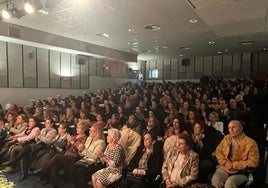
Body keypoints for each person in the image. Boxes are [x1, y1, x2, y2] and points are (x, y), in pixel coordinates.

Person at [211, 120, 259, 188]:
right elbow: (218, 152)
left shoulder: (250, 143)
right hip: (225, 167)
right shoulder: (226, 138)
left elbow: (254, 162)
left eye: (234, 127)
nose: (231, 130)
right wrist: (225, 163)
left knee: (230, 183)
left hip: (242, 172)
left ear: (241, 128)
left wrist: (234, 165)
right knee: (216, 179)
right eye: (229, 128)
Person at [42, 121, 88, 188]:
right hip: (67, 155)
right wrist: (69, 142)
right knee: (55, 166)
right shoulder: (75, 136)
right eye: (77, 127)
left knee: (57, 156)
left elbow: (79, 150)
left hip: (75, 157)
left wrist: (72, 142)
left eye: (78, 128)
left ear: (83, 130)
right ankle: (55, 185)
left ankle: (44, 169)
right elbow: (67, 147)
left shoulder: (85, 138)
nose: (76, 129)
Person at [72, 124, 106, 188]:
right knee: (73, 168)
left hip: (93, 163)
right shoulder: (89, 139)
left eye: (91, 131)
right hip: (85, 160)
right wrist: (80, 150)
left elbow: (95, 157)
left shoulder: (101, 142)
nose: (89, 132)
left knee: (80, 172)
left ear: (97, 133)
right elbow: (83, 153)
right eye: (90, 130)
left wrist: (83, 150)